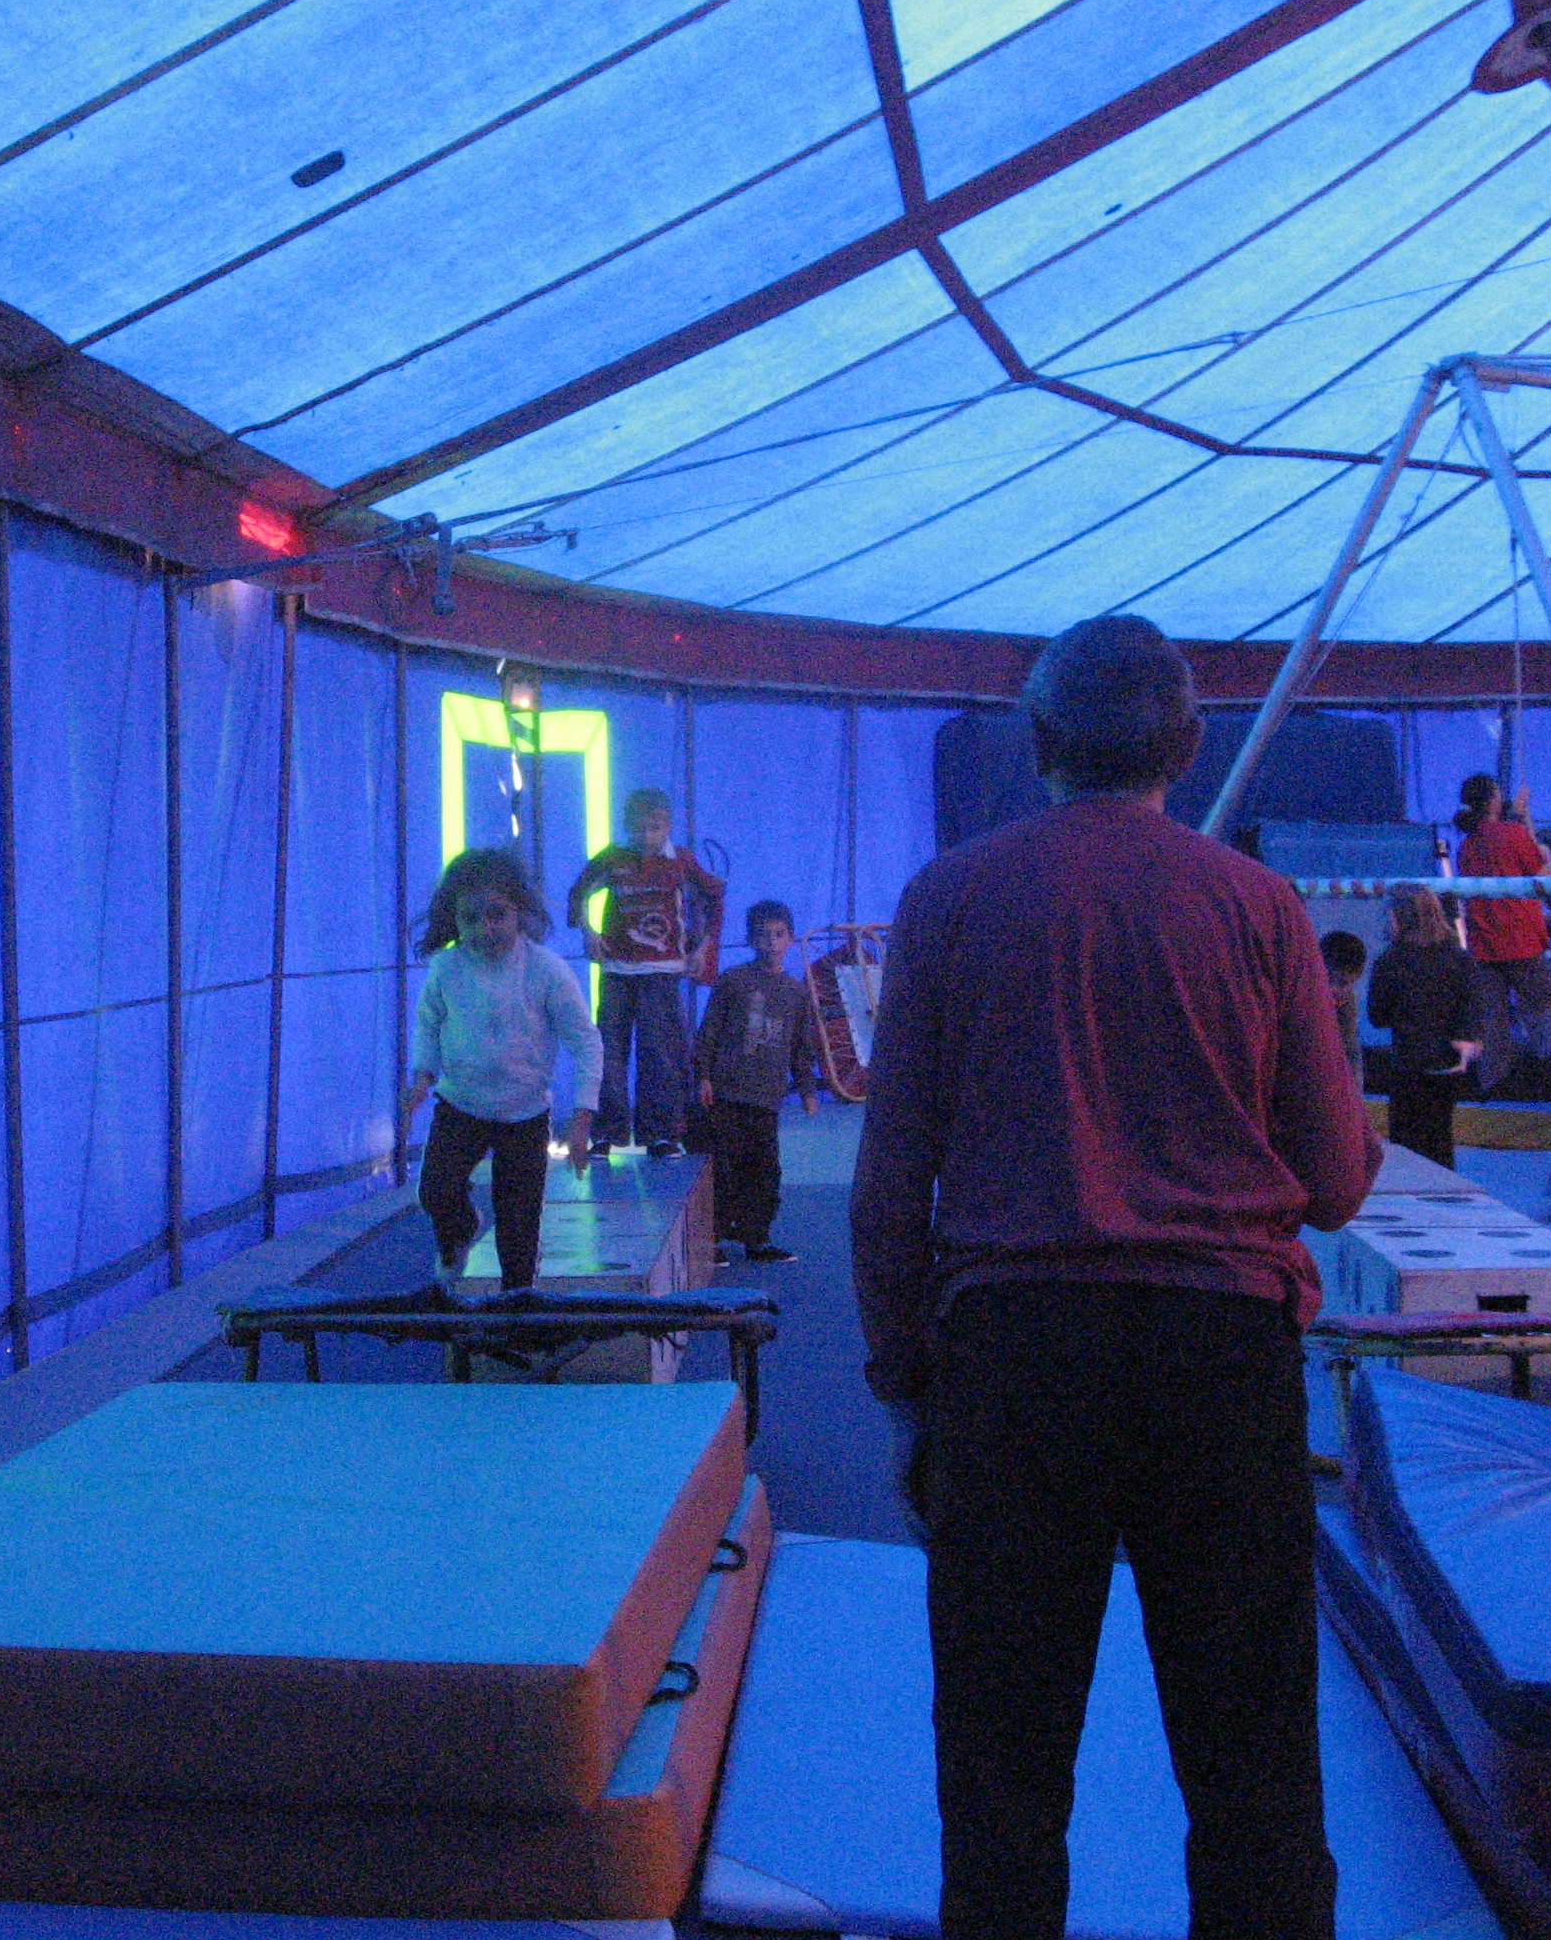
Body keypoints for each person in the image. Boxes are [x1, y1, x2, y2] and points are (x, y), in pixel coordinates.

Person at [853, 614, 1378, 1940]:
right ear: (1187, 748)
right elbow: (1335, 1184)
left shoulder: (948, 899)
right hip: (1220, 1363)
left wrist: (906, 1393)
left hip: (1013, 1367)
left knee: (1001, 1778)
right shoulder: (1258, 908)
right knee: (1253, 1767)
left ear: (1037, 743)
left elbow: (888, 1187)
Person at [401, 848, 599, 1290]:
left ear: (520, 912)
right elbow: (429, 1024)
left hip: (524, 1115)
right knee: (435, 1192)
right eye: (470, 919)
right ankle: (459, 1232)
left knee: (518, 1223)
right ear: (454, 919)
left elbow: (586, 1042)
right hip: (461, 1106)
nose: (484, 929)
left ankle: (519, 1301)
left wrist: (582, 1115)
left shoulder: (546, 971)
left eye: (497, 915)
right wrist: (421, 1078)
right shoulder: (447, 967)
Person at [566, 788, 722, 1158]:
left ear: (668, 826)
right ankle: (606, 1133)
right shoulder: (612, 858)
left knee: (661, 1054)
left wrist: (703, 947)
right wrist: (588, 932)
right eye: (638, 828)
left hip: (663, 970)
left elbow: (714, 898)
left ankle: (661, 1134)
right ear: (626, 825)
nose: (647, 836)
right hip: (617, 970)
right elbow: (578, 893)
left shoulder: (680, 861)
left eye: (654, 828)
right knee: (609, 1052)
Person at [695, 899, 824, 1265]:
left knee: (764, 1171)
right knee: (723, 1169)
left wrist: (807, 1090)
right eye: (764, 935)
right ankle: (713, 1240)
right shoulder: (732, 981)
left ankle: (758, 1238)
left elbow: (801, 1046)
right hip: (727, 1094)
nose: (772, 943)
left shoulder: (796, 993)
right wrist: (703, 1075)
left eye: (779, 935)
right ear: (750, 940)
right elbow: (709, 1032)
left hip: (766, 1099)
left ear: (791, 939)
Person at [1454, 770, 1551, 1091]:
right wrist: (1549, 856)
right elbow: (1540, 873)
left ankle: (1493, 1086)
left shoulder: (1467, 846)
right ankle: (1547, 1079)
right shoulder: (1511, 834)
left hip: (1483, 944)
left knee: (1493, 1021)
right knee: (1542, 1007)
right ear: (1492, 800)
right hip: (1519, 938)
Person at [1365, 884, 1481, 1172]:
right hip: (1447, 1063)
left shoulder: (1390, 962)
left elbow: (1378, 1017)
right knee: (1440, 1137)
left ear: (1398, 918)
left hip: (1410, 1063)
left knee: (1408, 1143)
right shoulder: (1459, 958)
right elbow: (1472, 1006)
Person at [1319, 928, 1368, 1087]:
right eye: (1328, 977)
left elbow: (1351, 1053)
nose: (1332, 989)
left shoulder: (1347, 1004)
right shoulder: (1296, 1000)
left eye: (1343, 983)